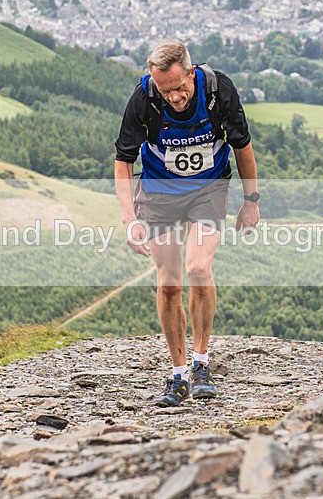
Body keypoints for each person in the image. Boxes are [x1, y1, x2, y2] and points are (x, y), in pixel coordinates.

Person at [114, 40, 260, 407]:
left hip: (208, 189)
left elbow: (242, 146)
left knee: (197, 267)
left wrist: (251, 202)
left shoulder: (218, 90)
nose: (174, 97)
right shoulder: (144, 99)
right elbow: (123, 160)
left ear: (192, 73)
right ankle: (178, 374)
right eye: (166, 91)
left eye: (180, 88)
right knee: (168, 285)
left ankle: (201, 363)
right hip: (160, 193)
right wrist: (129, 218)